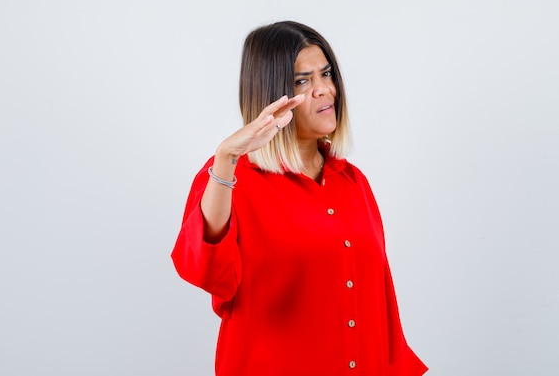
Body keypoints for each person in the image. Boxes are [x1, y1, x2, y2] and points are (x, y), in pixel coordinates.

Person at [171, 21, 428, 376]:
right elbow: (206, 271)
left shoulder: (353, 183)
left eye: (326, 74)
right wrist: (226, 159)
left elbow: (379, 301)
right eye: (302, 81)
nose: (325, 90)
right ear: (271, 95)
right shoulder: (229, 178)